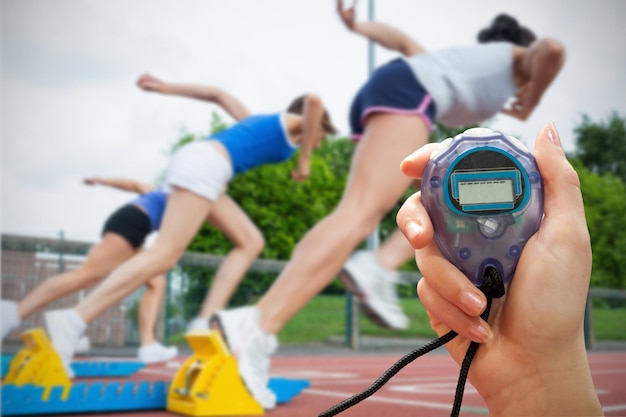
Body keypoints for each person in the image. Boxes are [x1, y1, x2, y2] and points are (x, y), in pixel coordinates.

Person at [209, 1, 566, 409]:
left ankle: (262, 322)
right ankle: (264, 323)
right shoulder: (515, 60)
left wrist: (358, 26)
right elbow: (552, 50)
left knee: (377, 210)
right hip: (408, 95)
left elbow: (400, 41)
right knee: (363, 213)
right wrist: (532, 98)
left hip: (396, 88)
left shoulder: (460, 66)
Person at [40, 73, 337, 407]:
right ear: (319, 128)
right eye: (321, 137)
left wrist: (167, 88)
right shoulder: (298, 122)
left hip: (206, 167)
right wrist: (305, 159)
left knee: (250, 241)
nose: (318, 142)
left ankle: (204, 319)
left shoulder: (260, 123)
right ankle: (74, 319)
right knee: (164, 255)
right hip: (206, 167)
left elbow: (217, 93)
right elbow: (313, 100)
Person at [395, 122, 603, 415]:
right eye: (471, 193)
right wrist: (530, 387)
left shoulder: (451, 173)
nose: (488, 222)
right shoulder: (511, 172)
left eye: (497, 188)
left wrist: (545, 372)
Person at [1, 176, 178, 364]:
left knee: (156, 282)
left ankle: (148, 346)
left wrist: (101, 180)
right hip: (132, 222)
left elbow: (134, 185)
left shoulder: (165, 192)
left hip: (134, 224)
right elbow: (134, 185)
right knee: (86, 275)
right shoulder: (179, 194)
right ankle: (12, 313)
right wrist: (102, 180)